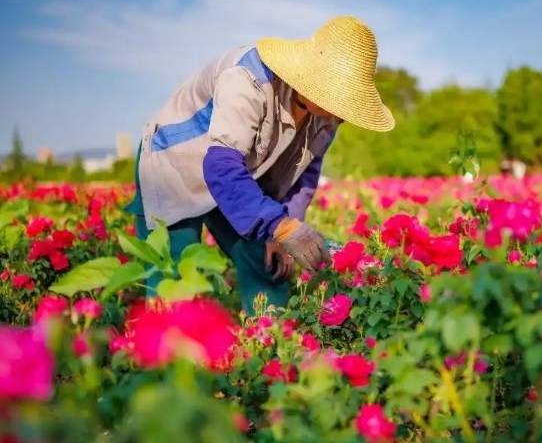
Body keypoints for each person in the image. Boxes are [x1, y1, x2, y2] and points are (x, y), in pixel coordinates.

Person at [124, 16, 394, 315]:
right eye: (336, 98)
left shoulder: (328, 116)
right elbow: (222, 166)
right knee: (174, 271)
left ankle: (271, 346)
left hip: (240, 176)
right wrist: (277, 225)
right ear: (310, 79)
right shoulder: (247, 79)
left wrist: (285, 228)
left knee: (269, 266)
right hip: (177, 167)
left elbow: (301, 174)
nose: (338, 111)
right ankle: (169, 356)